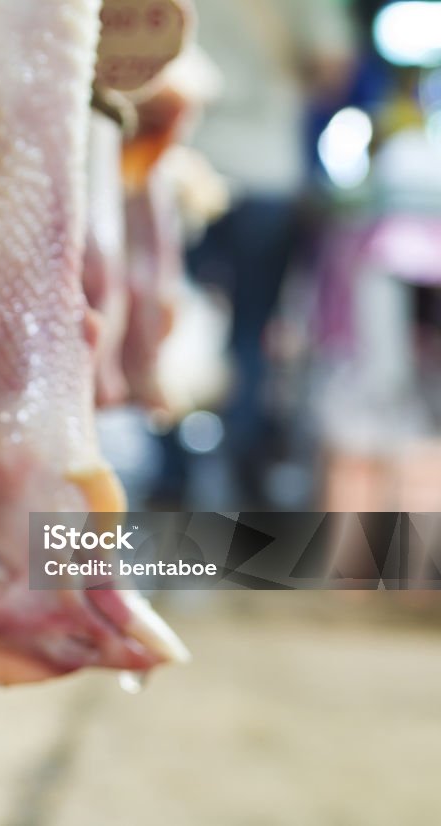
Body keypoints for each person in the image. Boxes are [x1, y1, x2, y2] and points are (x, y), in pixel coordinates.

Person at [184, 0, 356, 503]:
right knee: (253, 326)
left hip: (192, 164)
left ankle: (176, 463)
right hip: (267, 172)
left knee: (185, 312)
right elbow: (333, 66)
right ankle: (244, 461)